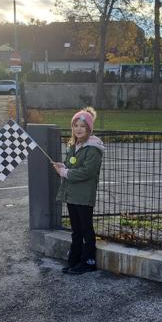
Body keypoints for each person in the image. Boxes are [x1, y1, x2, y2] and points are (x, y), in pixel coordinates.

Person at [53, 107, 105, 275]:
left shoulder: (93, 148)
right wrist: (63, 166)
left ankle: (89, 261)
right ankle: (74, 260)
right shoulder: (74, 146)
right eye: (76, 125)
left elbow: (88, 171)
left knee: (86, 229)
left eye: (83, 126)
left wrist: (65, 172)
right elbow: (71, 166)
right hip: (72, 194)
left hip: (83, 196)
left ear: (89, 128)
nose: (78, 129)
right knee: (76, 230)